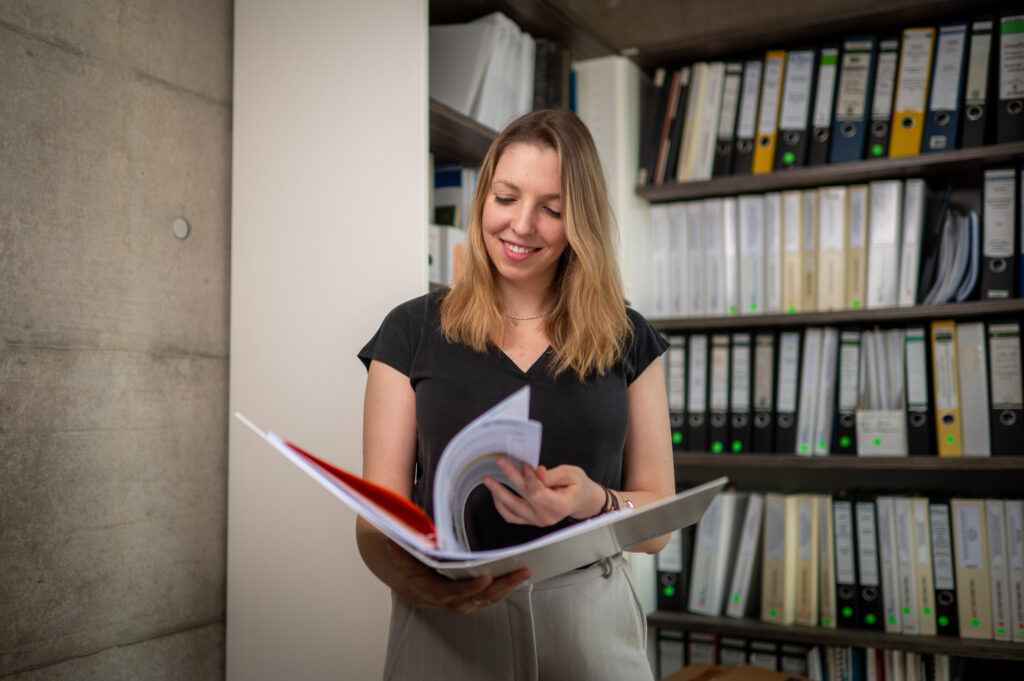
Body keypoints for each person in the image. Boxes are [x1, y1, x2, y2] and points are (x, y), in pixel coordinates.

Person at [357, 108, 675, 681]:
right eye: (506, 198)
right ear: (482, 200)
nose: (522, 225)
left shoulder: (628, 337)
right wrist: (416, 587)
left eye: (551, 209)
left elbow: (656, 527)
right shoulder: (410, 330)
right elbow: (376, 522)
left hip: (589, 620)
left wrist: (596, 503)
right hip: (447, 619)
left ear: (580, 222)